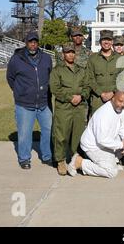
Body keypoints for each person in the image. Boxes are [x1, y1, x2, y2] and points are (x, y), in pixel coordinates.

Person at [6, 31, 53, 170]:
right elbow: (10, 78)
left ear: (38, 43)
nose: (33, 44)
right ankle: (24, 158)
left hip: (44, 103)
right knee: (25, 133)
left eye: (35, 41)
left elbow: (51, 75)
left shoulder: (46, 58)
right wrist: (20, 91)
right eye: (30, 42)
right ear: (26, 43)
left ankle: (47, 156)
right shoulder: (16, 59)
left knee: (48, 130)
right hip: (25, 104)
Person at [67, 91, 124, 178]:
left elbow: (123, 125)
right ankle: (79, 162)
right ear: (113, 99)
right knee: (112, 172)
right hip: (93, 146)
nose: (122, 104)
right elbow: (102, 140)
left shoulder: (120, 109)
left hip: (106, 142)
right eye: (120, 101)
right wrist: (121, 144)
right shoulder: (104, 114)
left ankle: (111, 162)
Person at [49, 42, 90, 176]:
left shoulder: (81, 70)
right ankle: (60, 160)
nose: (70, 54)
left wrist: (81, 96)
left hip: (79, 107)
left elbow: (87, 86)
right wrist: (69, 97)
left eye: (72, 52)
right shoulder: (57, 70)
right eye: (67, 52)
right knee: (61, 135)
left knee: (77, 135)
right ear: (63, 54)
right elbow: (55, 88)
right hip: (64, 107)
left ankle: (74, 158)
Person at [85, 30, 121, 116]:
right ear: (100, 42)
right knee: (97, 125)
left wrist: (113, 92)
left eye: (108, 40)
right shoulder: (93, 59)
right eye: (104, 40)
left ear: (112, 42)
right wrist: (101, 93)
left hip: (115, 97)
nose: (106, 42)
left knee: (114, 125)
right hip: (98, 99)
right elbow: (90, 78)